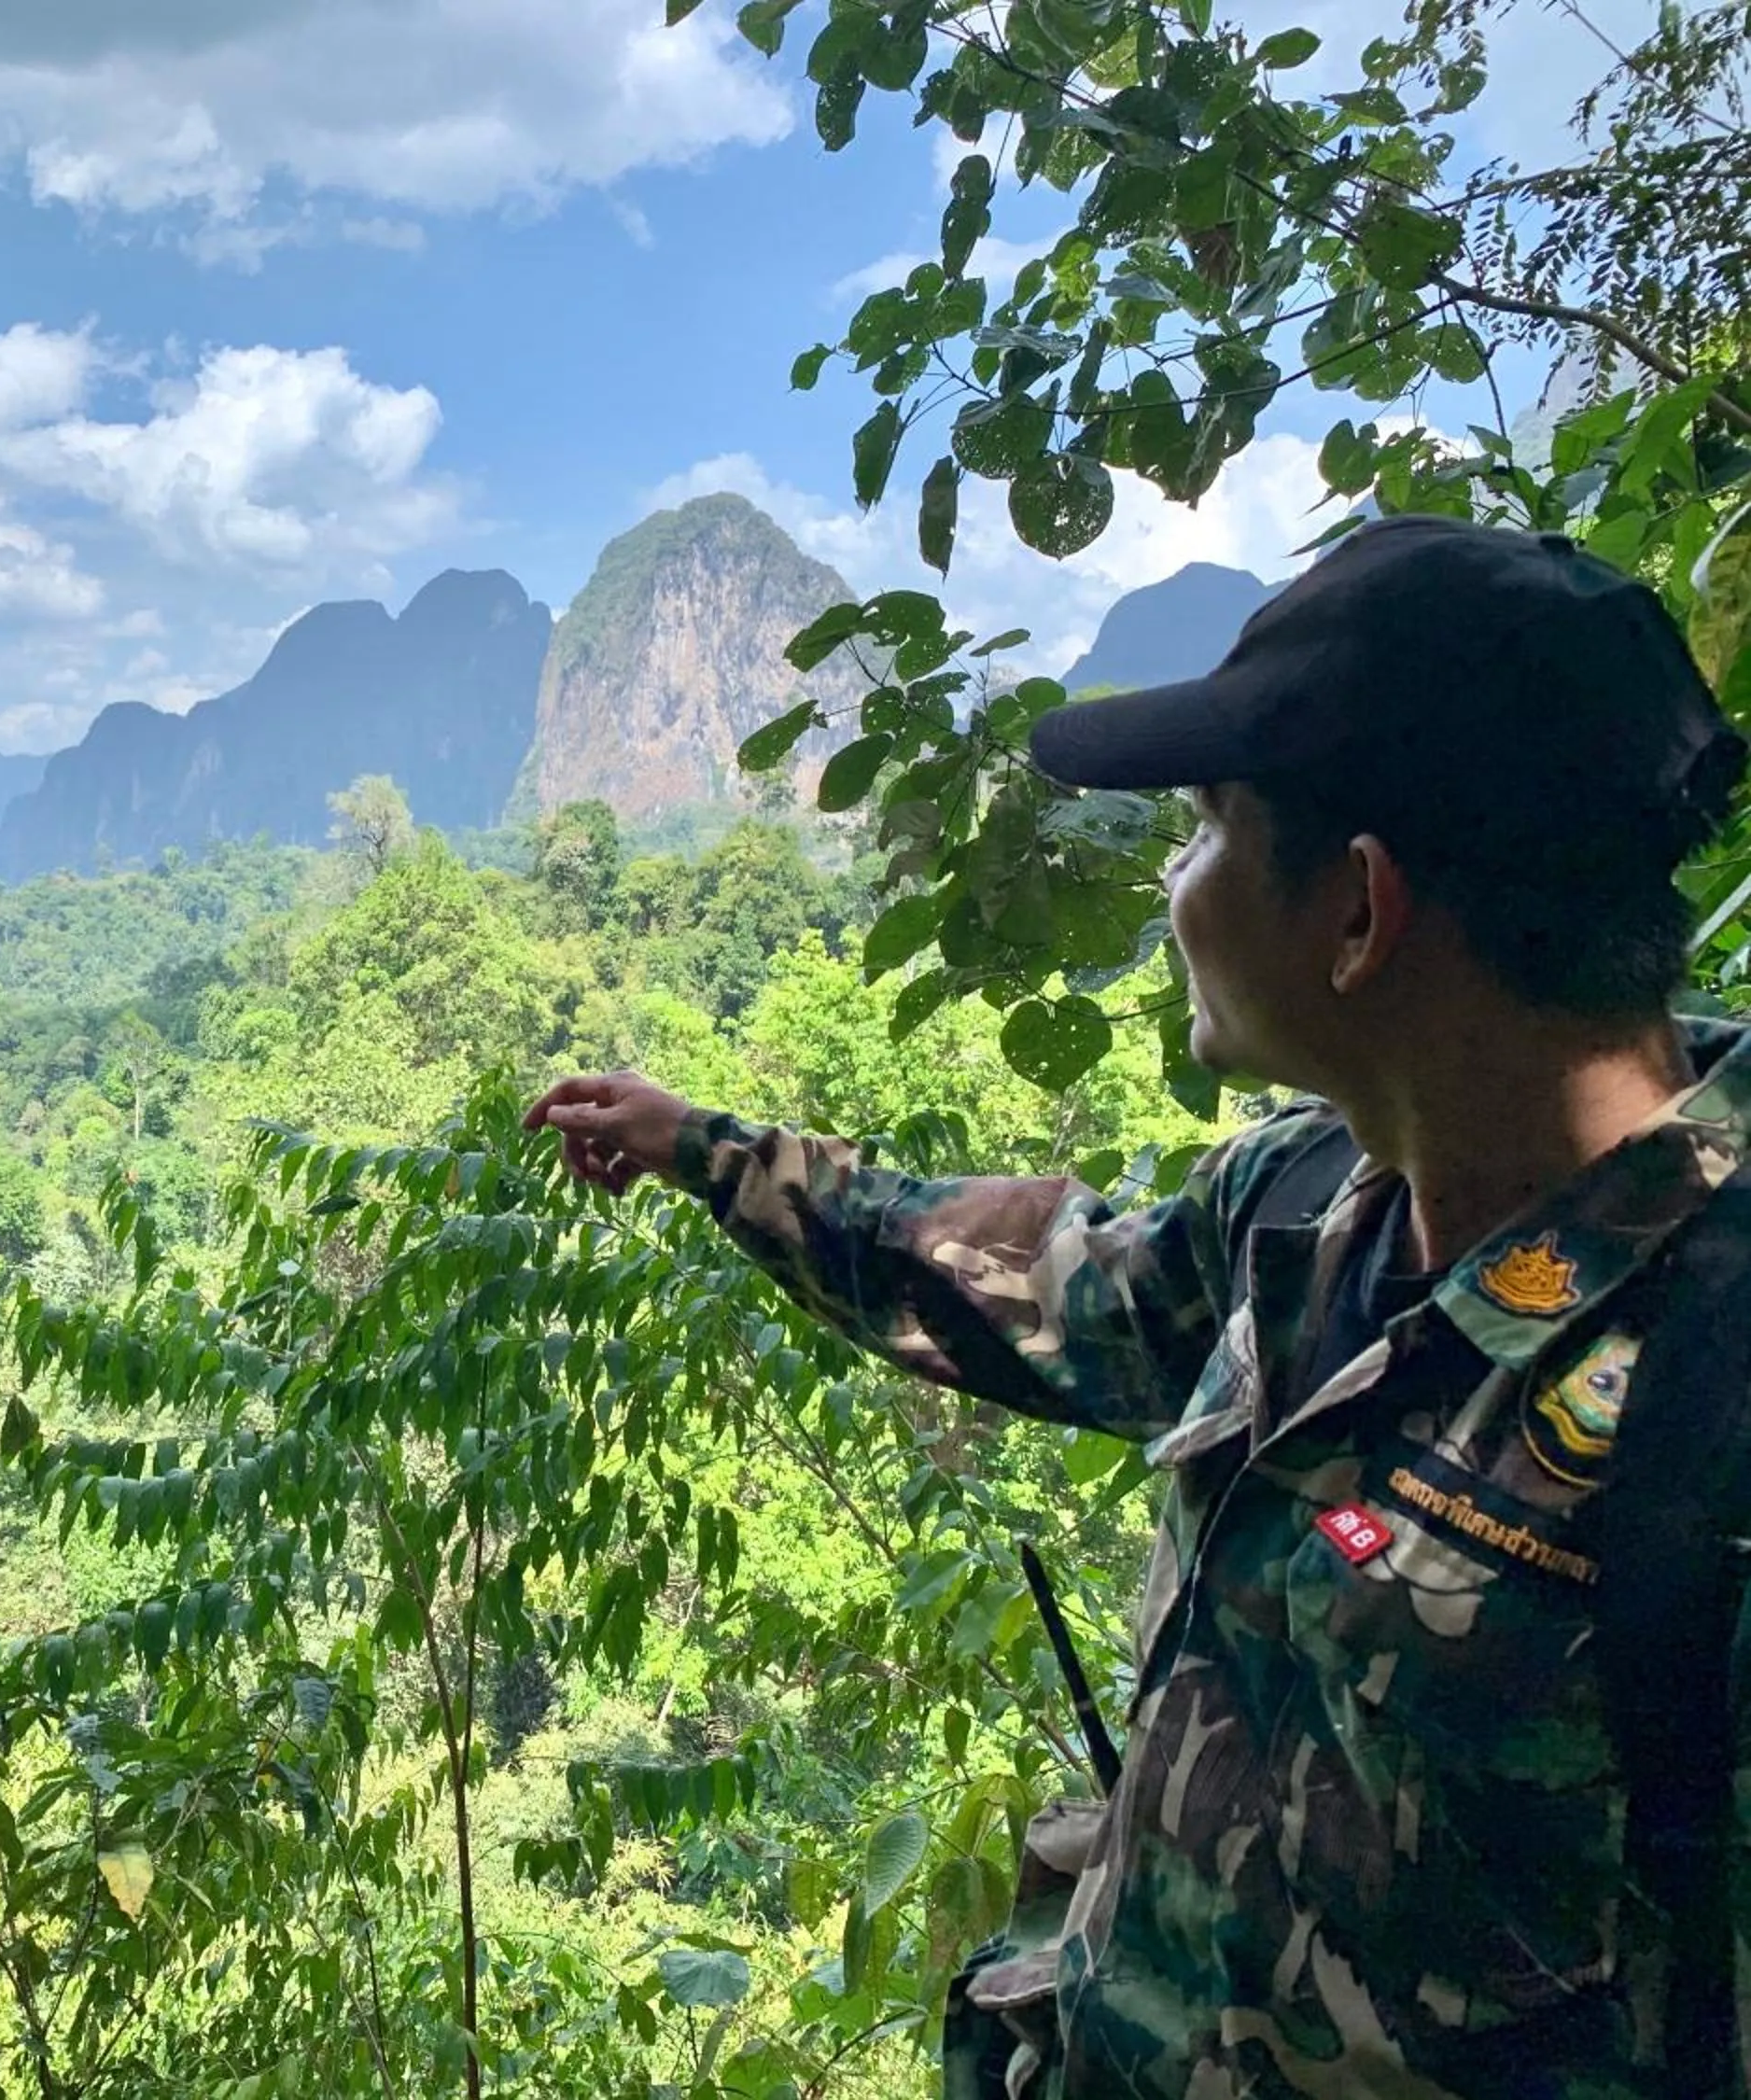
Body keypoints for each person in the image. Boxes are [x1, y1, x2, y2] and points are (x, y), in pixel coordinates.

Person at [527, 512, 1751, 2098]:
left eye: (1202, 833)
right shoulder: (1310, 1203)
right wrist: (706, 1150)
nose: (1175, 887)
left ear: (1360, 912)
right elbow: (1028, 1281)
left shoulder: (1709, 1388)